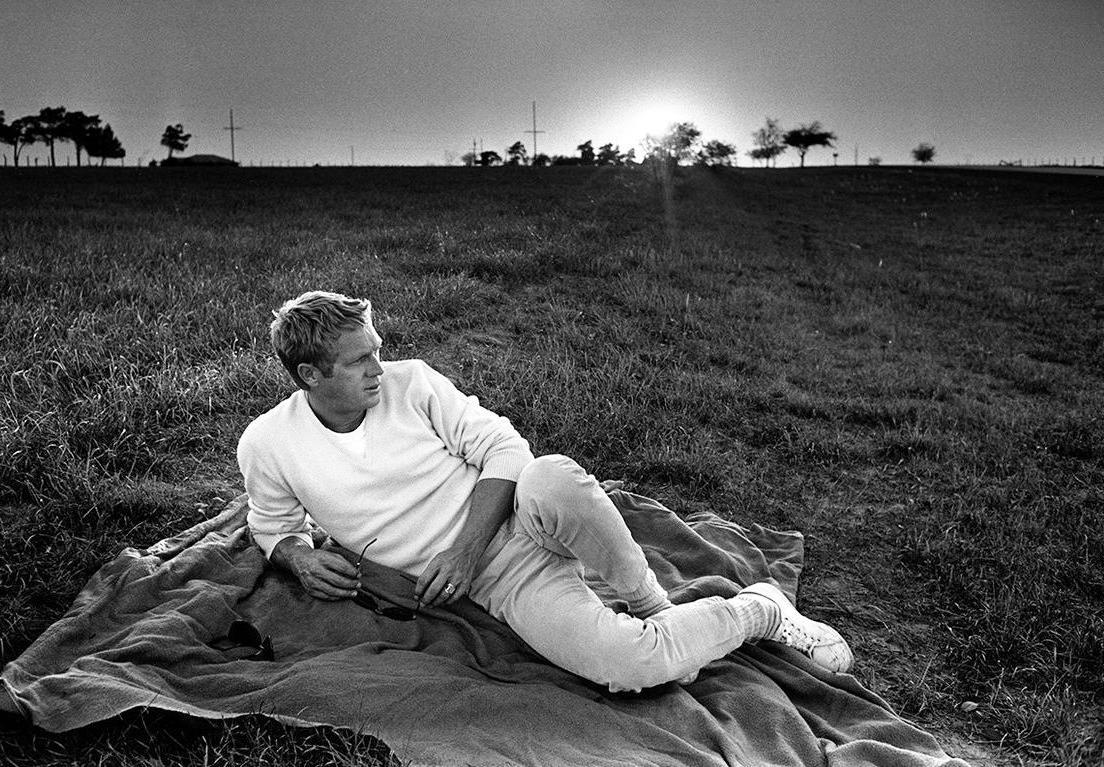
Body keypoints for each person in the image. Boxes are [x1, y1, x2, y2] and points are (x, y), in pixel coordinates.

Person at [237, 290, 854, 692]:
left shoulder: (412, 383)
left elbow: (506, 449)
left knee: (550, 473)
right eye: (359, 361)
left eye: (377, 350)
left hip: (520, 516)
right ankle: (759, 609)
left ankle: (651, 604)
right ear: (310, 375)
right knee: (632, 667)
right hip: (503, 582)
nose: (380, 368)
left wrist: (464, 550)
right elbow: (272, 525)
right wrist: (298, 557)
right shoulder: (269, 444)